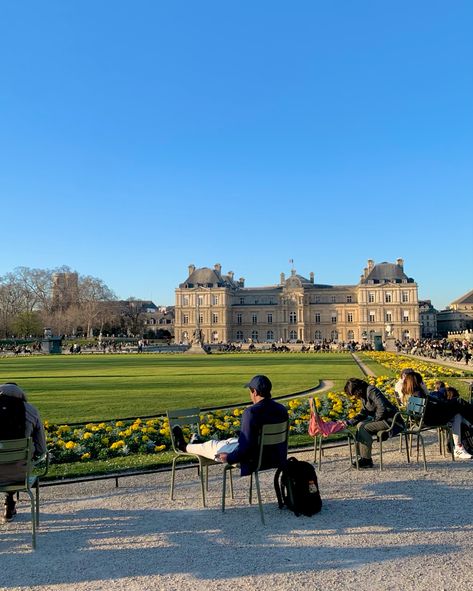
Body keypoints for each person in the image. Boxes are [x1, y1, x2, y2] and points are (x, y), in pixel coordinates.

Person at [172, 375, 288, 476]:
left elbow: (245, 447)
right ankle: (197, 445)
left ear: (255, 392)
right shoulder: (282, 409)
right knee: (230, 441)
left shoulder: (251, 412)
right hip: (276, 458)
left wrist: (229, 458)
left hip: (254, 460)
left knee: (213, 445)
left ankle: (183, 446)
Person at [0, 383, 47, 523]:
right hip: (20, 474)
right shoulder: (31, 410)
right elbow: (41, 449)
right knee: (14, 464)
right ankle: (9, 501)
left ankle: (9, 502)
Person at [401, 374, 473, 459]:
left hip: (426, 418)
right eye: (422, 381)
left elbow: (432, 406)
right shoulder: (419, 393)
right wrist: (426, 392)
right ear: (419, 382)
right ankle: (458, 447)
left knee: (457, 415)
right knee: (459, 402)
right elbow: (435, 406)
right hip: (432, 419)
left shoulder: (412, 393)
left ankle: (458, 448)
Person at [344, 378, 404, 469]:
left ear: (357, 389)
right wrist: (348, 422)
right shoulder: (364, 395)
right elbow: (364, 412)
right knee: (359, 425)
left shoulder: (371, 390)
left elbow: (382, 407)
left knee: (364, 427)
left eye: (353, 394)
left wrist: (375, 420)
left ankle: (367, 460)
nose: (354, 397)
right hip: (383, 419)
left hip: (392, 421)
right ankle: (363, 457)